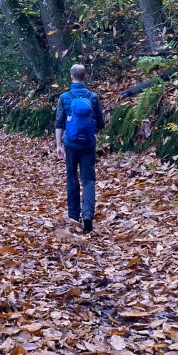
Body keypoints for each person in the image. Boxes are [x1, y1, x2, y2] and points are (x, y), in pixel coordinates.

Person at [55, 63, 105, 233]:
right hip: (88, 144)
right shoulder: (93, 97)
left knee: (72, 177)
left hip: (70, 144)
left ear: (71, 76)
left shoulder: (64, 97)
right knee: (88, 179)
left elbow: (59, 122)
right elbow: (101, 123)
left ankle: (73, 215)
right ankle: (88, 215)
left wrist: (59, 145)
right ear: (85, 77)